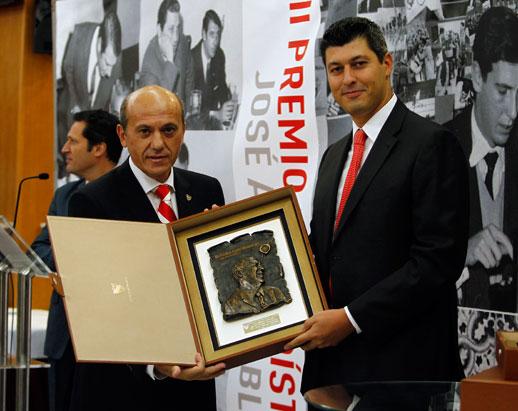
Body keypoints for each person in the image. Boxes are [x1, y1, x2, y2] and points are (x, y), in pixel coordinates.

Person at [285, 17, 468, 393]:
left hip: (402, 373)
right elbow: (322, 250)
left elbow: (437, 262)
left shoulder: (432, 144)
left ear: (386, 64)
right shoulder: (334, 156)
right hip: (331, 371)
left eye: (358, 63)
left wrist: (350, 319)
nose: (348, 78)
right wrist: (238, 243)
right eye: (336, 69)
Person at [66, 85, 225, 411]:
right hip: (119, 389)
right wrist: (154, 363)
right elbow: (96, 305)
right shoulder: (92, 200)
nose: (158, 144)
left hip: (192, 387)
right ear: (123, 136)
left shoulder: (207, 190)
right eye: (144, 131)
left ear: (183, 131)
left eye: (168, 130)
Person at [31, 109, 122, 411]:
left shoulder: (127, 195)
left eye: (72, 141)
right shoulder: (64, 196)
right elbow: (39, 247)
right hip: (63, 339)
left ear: (98, 148)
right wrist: (71, 256)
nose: (64, 149)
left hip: (110, 339)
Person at [445, 7, 518, 313]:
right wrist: (459, 253)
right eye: (503, 91)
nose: (513, 112)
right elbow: (407, 270)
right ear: (476, 76)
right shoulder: (436, 152)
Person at [57, 12, 122, 165]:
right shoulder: (80, 35)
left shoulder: (114, 56)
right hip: (70, 110)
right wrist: (77, 102)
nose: (109, 72)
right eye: (106, 63)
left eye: (112, 65)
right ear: (99, 46)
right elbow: (68, 68)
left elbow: (109, 93)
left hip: (93, 123)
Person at [140, 0, 193, 107]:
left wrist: (188, 109)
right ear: (159, 30)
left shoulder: (182, 41)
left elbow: (189, 73)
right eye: (171, 29)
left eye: (178, 27)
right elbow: (158, 108)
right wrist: (170, 61)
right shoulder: (148, 69)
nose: (176, 37)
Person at [190, 9, 233, 129]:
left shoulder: (219, 55)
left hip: (212, 124)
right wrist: (217, 114)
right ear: (203, 35)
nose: (215, 41)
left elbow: (222, 87)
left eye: (218, 35)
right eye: (211, 34)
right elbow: (192, 111)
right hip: (195, 125)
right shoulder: (191, 61)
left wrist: (227, 107)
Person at [223, 257, 292, 320]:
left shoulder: (274, 292)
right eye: (256, 265)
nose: (262, 268)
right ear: (239, 273)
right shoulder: (231, 305)